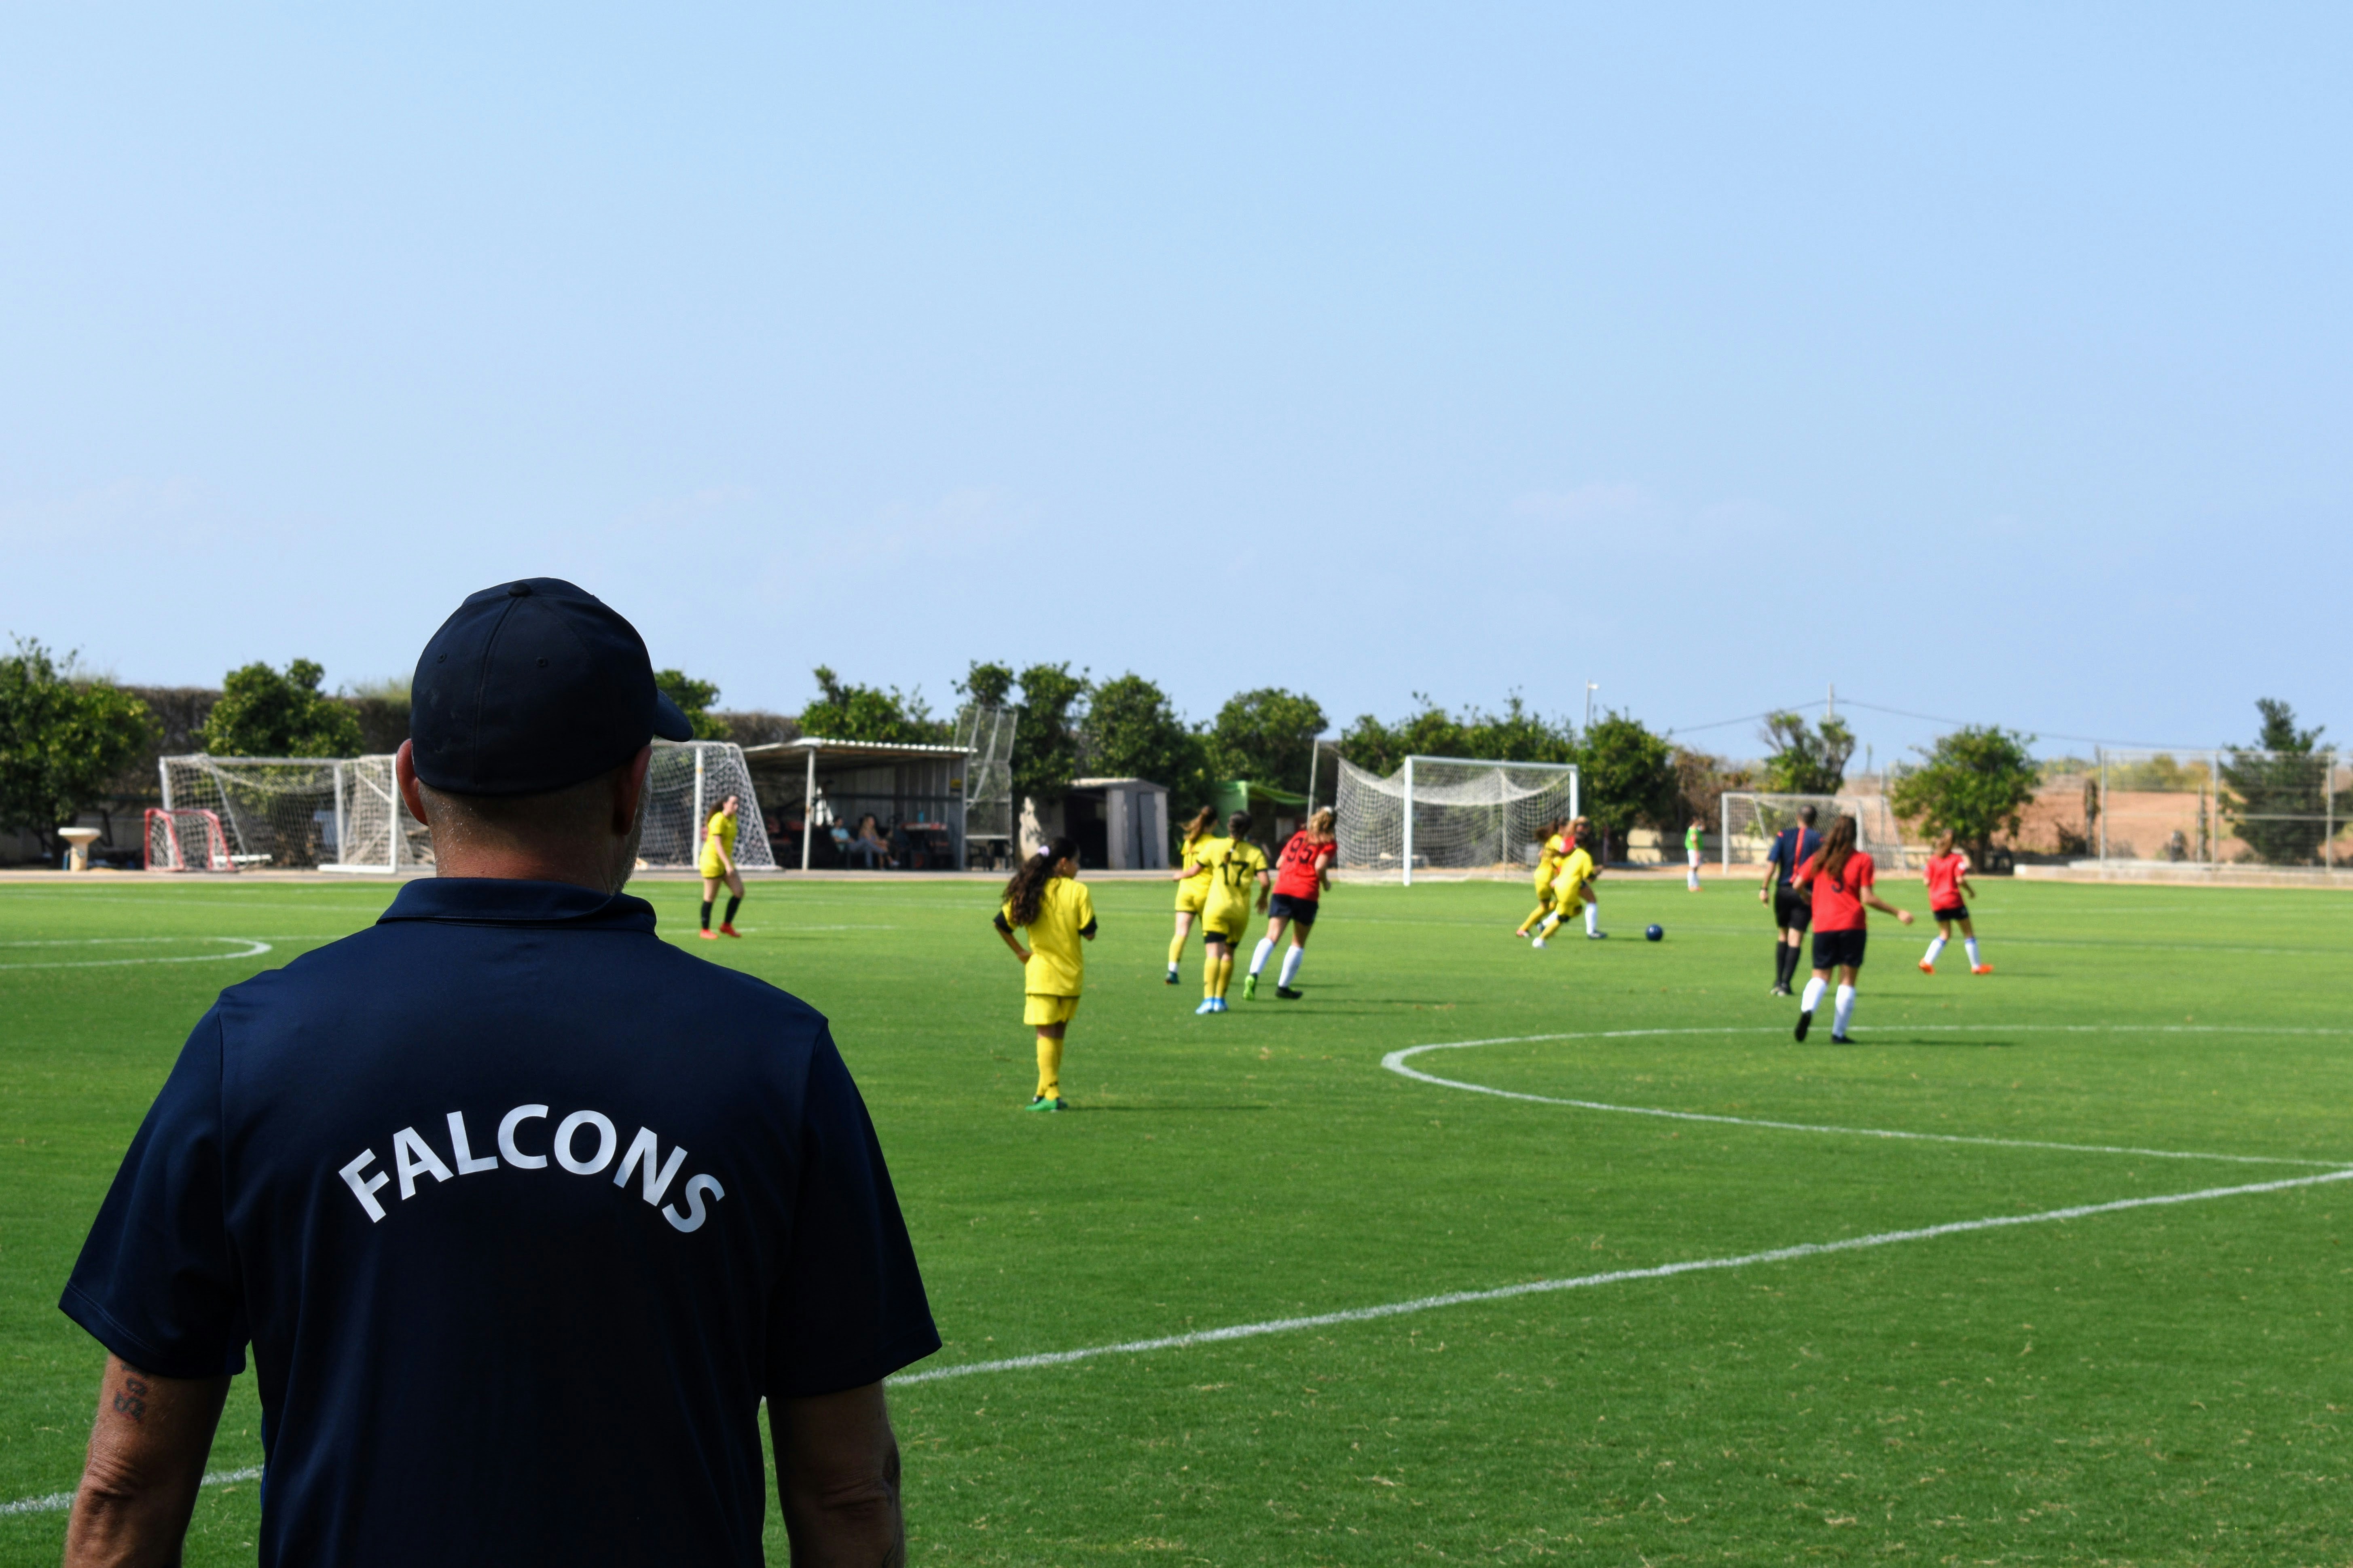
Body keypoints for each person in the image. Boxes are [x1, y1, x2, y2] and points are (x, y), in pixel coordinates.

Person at [56, 578, 935, 1567]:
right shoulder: (775, 1055)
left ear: (411, 785)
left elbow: (127, 1485)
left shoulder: (256, 1045)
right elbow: (849, 1489)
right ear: (633, 786)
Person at [1790, 812, 1915, 1043]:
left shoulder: (1820, 858)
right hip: (1852, 925)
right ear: (1855, 835)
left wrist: (1809, 897)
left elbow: (1797, 883)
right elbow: (1867, 898)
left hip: (1824, 924)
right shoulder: (1862, 860)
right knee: (1847, 980)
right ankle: (1838, 1034)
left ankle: (1808, 1009)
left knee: (1820, 976)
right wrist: (1898, 912)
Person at [994, 835, 1096, 1112]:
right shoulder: (1079, 892)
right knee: (1058, 1033)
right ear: (1062, 864)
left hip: (1042, 973)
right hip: (1071, 974)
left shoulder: (1030, 890)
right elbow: (1090, 934)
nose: (1078, 867)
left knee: (1046, 1034)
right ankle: (1045, 1092)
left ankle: (1050, 1094)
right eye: (1075, 862)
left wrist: (1020, 952)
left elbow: (1002, 924)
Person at [1245, 807, 1337, 1000]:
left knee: (1271, 936)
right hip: (1305, 892)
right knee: (1298, 942)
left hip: (1282, 889)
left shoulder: (1299, 836)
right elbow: (1320, 866)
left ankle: (1253, 974)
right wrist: (1326, 883)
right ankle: (1283, 987)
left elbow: (1279, 864)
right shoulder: (1328, 842)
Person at [1189, 811, 1269, 1014]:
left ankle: (1208, 1000)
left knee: (1213, 954)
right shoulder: (1255, 853)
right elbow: (1266, 882)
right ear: (1248, 830)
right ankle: (1221, 1000)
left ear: (1228, 826)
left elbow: (1195, 870)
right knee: (1228, 954)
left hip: (1216, 909)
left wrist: (1179, 875)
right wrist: (1262, 897)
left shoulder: (1214, 846)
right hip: (1239, 912)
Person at [1757, 804, 1823, 996]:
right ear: (1815, 820)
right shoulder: (1819, 840)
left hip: (1783, 891)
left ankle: (1778, 982)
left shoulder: (1783, 836)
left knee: (1783, 935)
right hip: (1805, 893)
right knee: (1796, 939)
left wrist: (1764, 888)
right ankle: (1786, 984)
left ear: (1797, 816)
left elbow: (1772, 864)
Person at [1919, 830, 1992, 975]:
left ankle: (1927, 962)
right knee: (1968, 933)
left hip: (1937, 902)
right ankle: (1977, 966)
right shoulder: (1956, 859)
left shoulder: (1933, 860)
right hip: (1953, 900)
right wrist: (1971, 891)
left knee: (1944, 934)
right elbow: (1960, 880)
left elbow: (1926, 882)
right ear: (1954, 843)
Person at [1166, 805, 1220, 984]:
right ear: (1215, 823)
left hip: (1185, 892)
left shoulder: (1189, 841)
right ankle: (1211, 973)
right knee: (1211, 935)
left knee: (1181, 933)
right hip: (1206, 893)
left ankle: (1172, 971)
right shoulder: (1213, 844)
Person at [1531, 824, 1602, 947]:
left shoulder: (1570, 853)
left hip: (1559, 886)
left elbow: (1555, 862)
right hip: (1568, 889)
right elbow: (1590, 878)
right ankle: (1541, 939)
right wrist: (1597, 872)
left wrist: (1558, 876)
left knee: (1577, 909)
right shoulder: (1585, 857)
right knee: (1562, 916)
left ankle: (1546, 925)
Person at [698, 791, 744, 938]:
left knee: (739, 892)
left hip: (726, 862)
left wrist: (728, 864)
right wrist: (728, 865)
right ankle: (705, 930)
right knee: (710, 897)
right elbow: (718, 845)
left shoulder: (733, 819)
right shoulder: (718, 820)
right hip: (712, 862)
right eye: (733, 804)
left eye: (738, 804)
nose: (736, 807)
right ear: (725, 804)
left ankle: (726, 925)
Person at [1514, 817, 1570, 938]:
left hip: (1542, 876)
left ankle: (1529, 927)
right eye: (1569, 828)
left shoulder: (1551, 839)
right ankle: (1535, 926)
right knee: (1563, 902)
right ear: (1561, 828)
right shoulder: (1557, 840)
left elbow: (1542, 855)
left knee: (1552, 905)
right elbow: (1566, 852)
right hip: (1546, 879)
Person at [1685, 816, 1706, 892]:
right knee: (1693, 867)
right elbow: (1694, 840)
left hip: (1696, 850)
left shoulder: (1696, 829)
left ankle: (1696, 886)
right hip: (1694, 851)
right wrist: (1697, 852)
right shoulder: (1693, 830)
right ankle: (1691, 886)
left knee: (1696, 868)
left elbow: (1703, 829)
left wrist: (1703, 822)